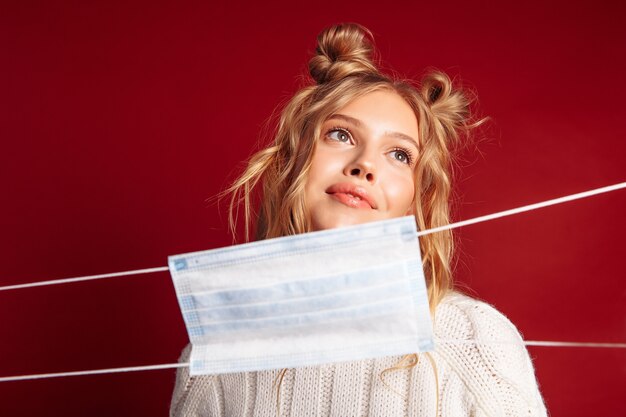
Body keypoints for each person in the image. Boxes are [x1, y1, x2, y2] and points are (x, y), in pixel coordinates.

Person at [170, 23, 547, 416]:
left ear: (416, 201)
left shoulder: (477, 343)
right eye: (341, 135)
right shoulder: (211, 353)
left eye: (399, 155)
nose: (365, 165)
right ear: (292, 161)